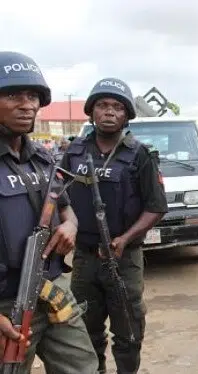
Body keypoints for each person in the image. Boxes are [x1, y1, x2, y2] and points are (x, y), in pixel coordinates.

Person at [60, 77, 168, 374]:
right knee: (85, 332)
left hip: (124, 259)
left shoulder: (140, 155)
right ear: (91, 112)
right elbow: (58, 199)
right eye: (102, 105)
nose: (109, 112)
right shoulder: (74, 152)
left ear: (127, 115)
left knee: (129, 333)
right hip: (84, 259)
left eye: (117, 107)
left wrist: (124, 238)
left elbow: (156, 207)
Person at [0, 51, 98, 373]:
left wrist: (70, 227)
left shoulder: (42, 158)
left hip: (54, 290)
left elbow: (67, 210)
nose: (26, 104)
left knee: (83, 366)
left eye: (33, 96)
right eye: (12, 95)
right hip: (6, 307)